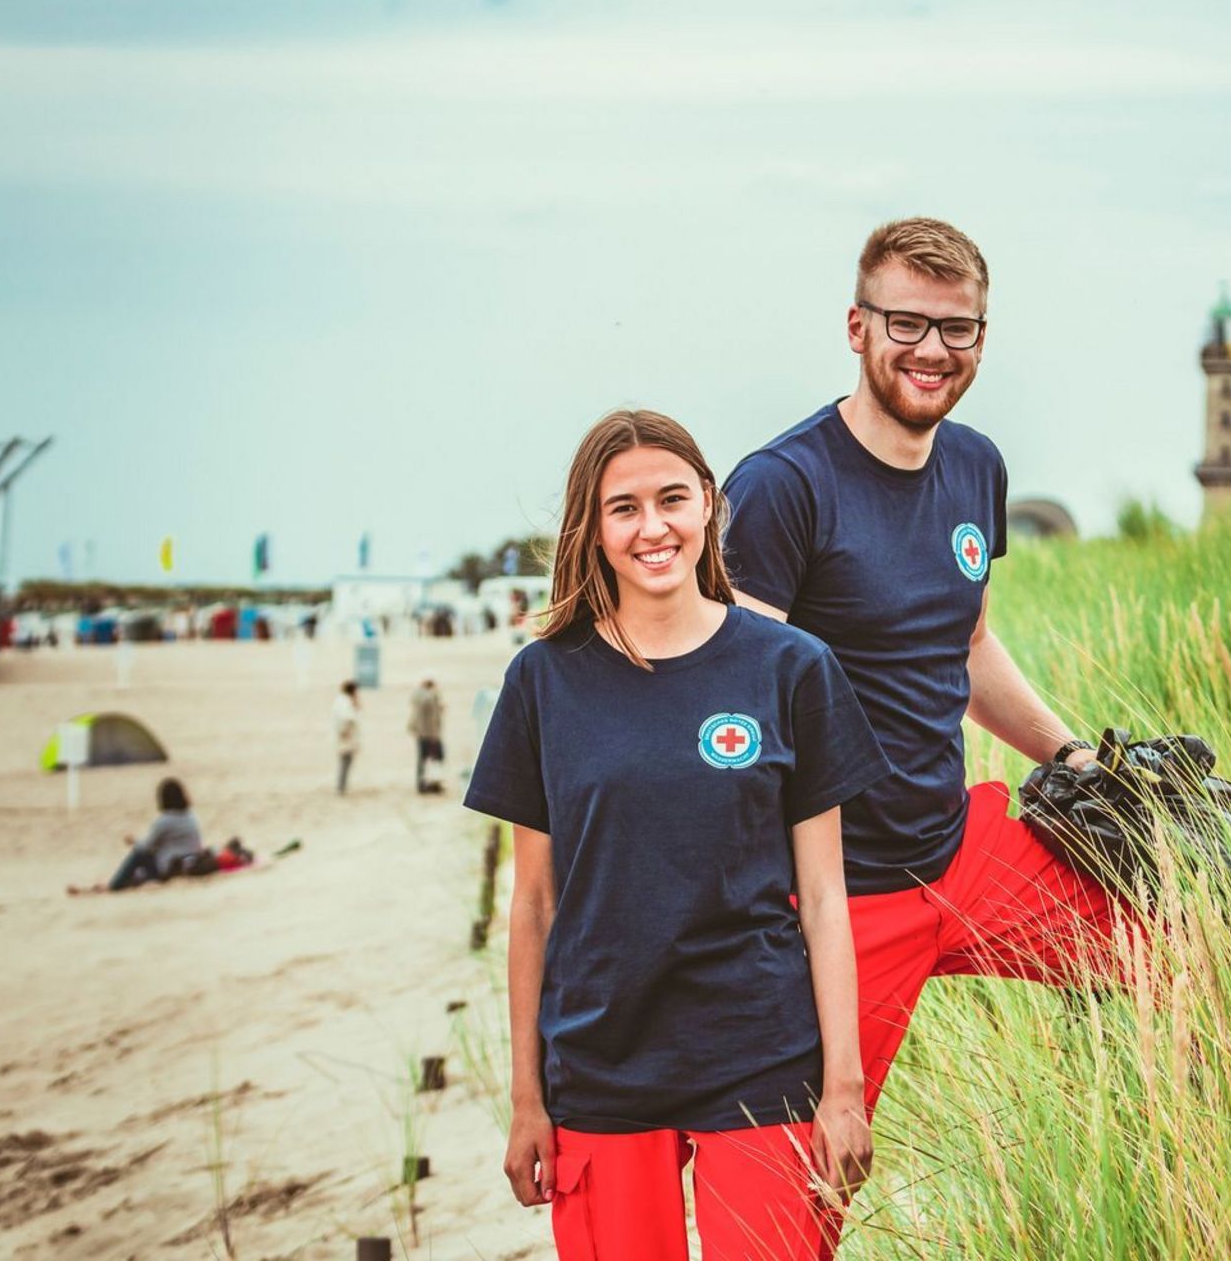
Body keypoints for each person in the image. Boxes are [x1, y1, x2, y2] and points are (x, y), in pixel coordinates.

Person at [721, 217, 1132, 1178]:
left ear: (982, 339)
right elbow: (729, 714)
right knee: (801, 1198)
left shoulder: (976, 465)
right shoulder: (784, 486)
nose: (933, 351)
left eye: (959, 329)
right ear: (856, 327)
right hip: (835, 902)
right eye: (907, 324)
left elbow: (970, 642)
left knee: (1188, 948)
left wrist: (1074, 758)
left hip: (960, 851)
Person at [465, 409, 888, 1261]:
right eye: (624, 508)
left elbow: (827, 901)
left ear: (709, 508)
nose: (653, 527)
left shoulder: (791, 666)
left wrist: (843, 1087)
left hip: (759, 1058)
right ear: (591, 527)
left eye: (672, 499)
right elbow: (535, 907)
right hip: (600, 1064)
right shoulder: (543, 680)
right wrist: (526, 1099)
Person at [70, 777, 205, 893]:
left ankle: (112, 886)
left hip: (168, 869)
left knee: (138, 853)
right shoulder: (191, 816)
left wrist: (133, 841)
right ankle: (110, 884)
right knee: (138, 873)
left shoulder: (164, 821)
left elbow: (146, 847)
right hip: (190, 862)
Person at [408, 675, 445, 794]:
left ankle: (423, 784)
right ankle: (432, 783)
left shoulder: (417, 696)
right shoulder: (430, 697)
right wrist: (435, 734)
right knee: (436, 759)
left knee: (423, 760)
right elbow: (433, 718)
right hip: (430, 733)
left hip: (421, 732)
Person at [332, 679, 361, 795]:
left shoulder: (342, 700)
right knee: (345, 761)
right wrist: (345, 732)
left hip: (344, 735)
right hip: (346, 736)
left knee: (345, 761)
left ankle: (341, 785)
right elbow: (347, 719)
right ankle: (341, 786)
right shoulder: (344, 702)